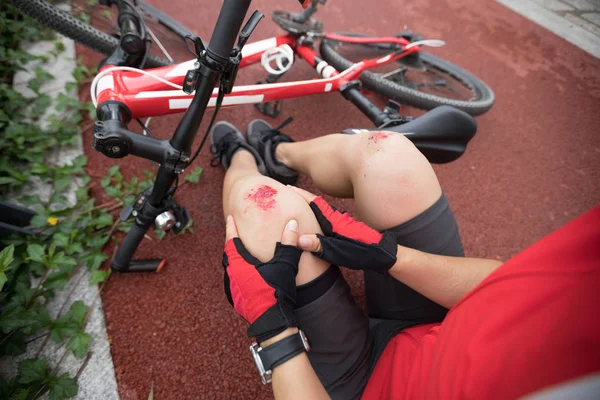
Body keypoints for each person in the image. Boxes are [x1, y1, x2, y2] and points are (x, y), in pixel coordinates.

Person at [209, 118, 600, 400]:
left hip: (362, 386)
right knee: (386, 153)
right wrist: (388, 255)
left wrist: (274, 332)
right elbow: (503, 286)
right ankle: (280, 154)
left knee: (259, 204)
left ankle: (240, 158)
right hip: (441, 319)